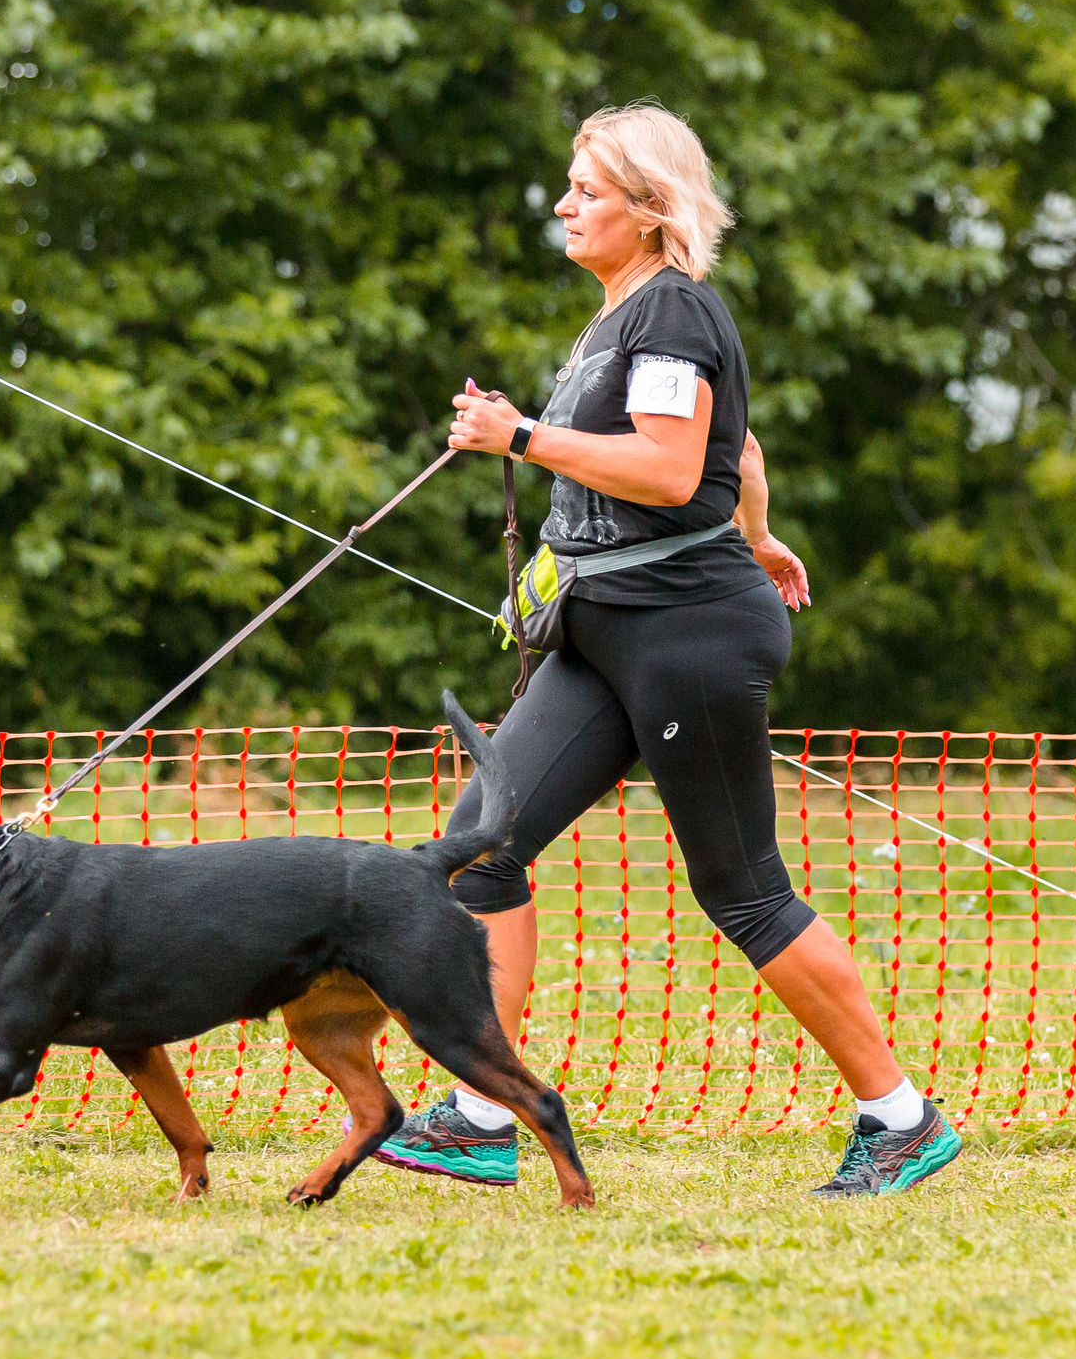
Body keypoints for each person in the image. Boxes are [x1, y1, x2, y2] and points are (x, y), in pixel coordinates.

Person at [371, 102, 962, 1199]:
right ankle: (482, 1114)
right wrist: (759, 532)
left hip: (686, 634)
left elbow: (668, 467)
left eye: (586, 189)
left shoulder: (675, 309)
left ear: (649, 210)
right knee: (481, 846)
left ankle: (900, 1119)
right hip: (604, 629)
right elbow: (737, 448)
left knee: (743, 891)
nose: (564, 205)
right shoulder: (621, 316)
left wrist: (521, 437)